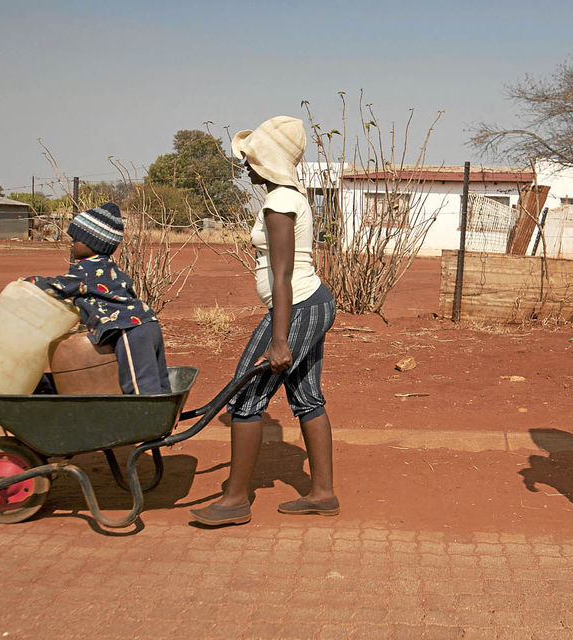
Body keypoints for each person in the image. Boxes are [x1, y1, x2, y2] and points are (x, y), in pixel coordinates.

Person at [190, 115, 338, 526]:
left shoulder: (279, 203)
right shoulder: (285, 198)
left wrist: (279, 338)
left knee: (244, 396)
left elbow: (283, 275)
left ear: (265, 161)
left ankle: (236, 500)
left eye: (250, 159)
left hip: (299, 307)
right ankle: (322, 493)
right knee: (307, 397)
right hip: (308, 303)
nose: (245, 166)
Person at [25, 202, 170, 395]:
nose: (71, 243)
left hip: (130, 330)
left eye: (76, 239)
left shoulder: (87, 270)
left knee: (139, 386)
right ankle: (165, 412)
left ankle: (147, 417)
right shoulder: (110, 269)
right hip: (148, 324)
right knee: (157, 380)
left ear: (92, 243)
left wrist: (29, 282)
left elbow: (58, 287)